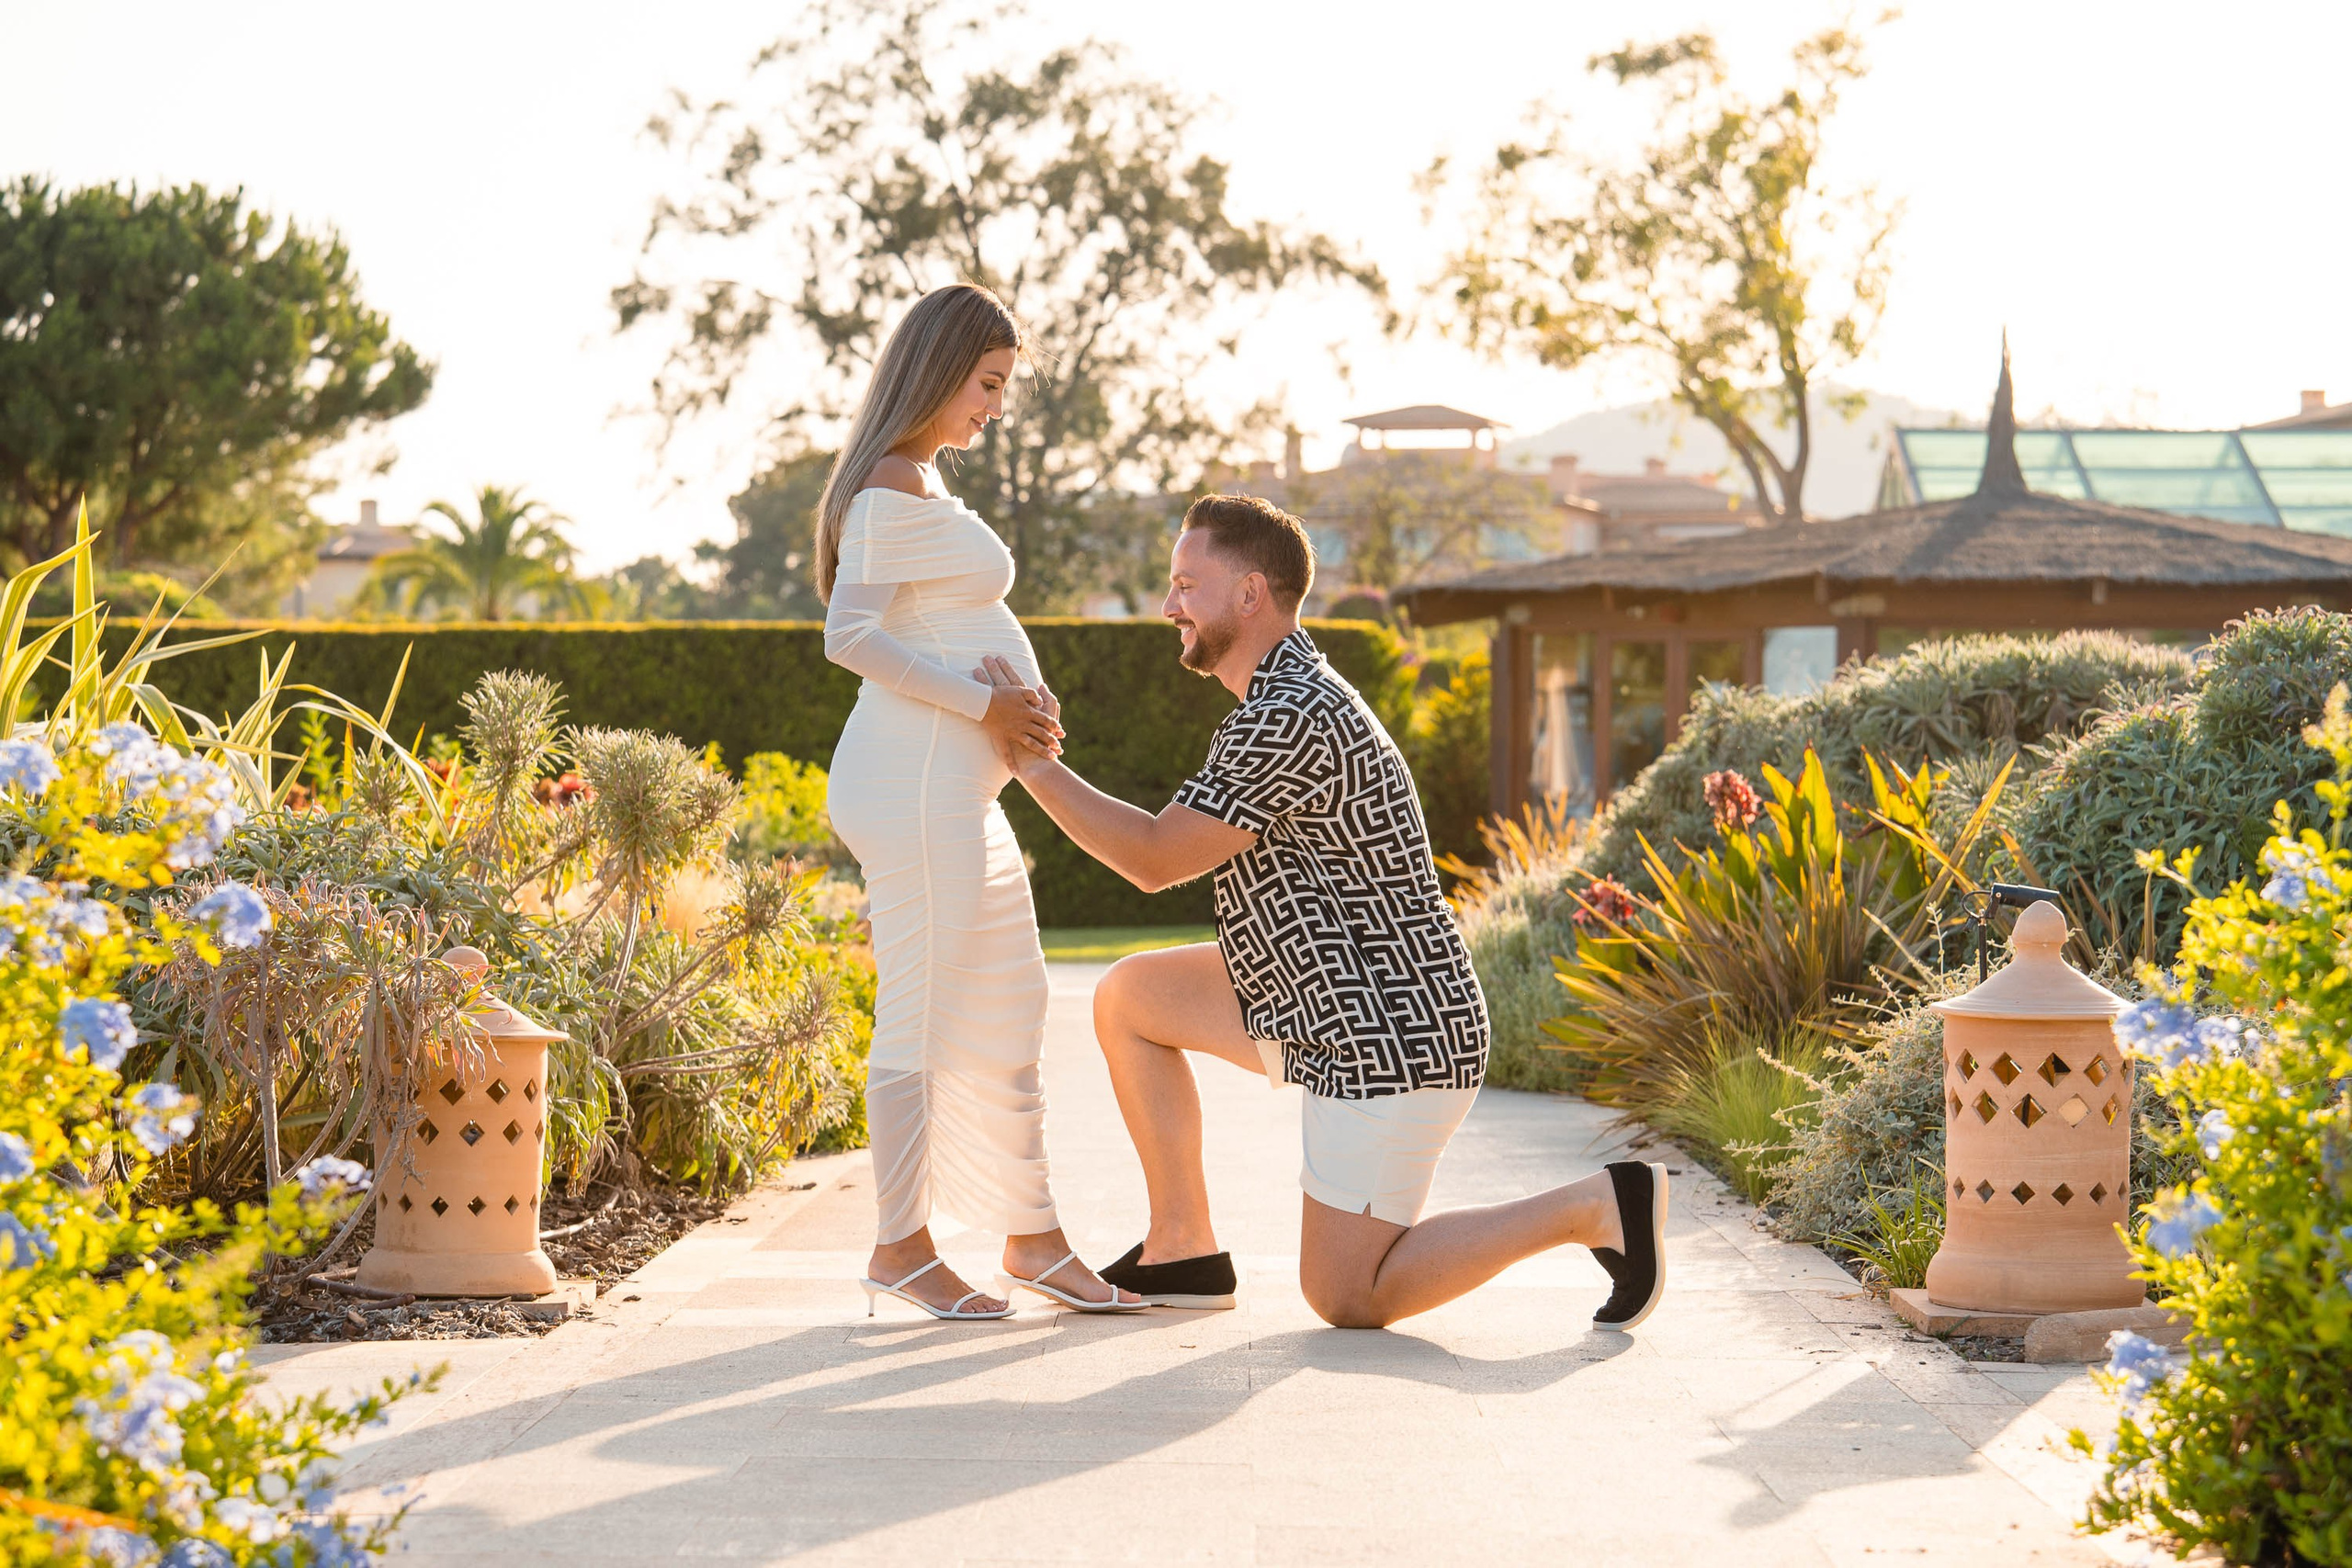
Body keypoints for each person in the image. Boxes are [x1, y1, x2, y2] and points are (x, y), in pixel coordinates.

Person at [976, 493, 1668, 1330]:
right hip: (1319, 997)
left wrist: (1030, 762)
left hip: (1394, 1034)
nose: (1168, 606)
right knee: (1132, 1000)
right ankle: (1182, 1249)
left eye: (1185, 584)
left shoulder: (1290, 711)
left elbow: (1155, 860)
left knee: (1347, 1295)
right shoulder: (1279, 693)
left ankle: (1599, 1205)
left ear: (1249, 593)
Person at [817, 283, 1142, 1319]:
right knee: (918, 1015)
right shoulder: (884, 487)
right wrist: (985, 707)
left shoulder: (916, 482)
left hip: (950, 787)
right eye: (989, 384)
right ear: (939, 368)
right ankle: (900, 1247)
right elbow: (849, 637)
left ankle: (1031, 1235)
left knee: (1009, 1002)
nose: (995, 408)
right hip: (916, 785)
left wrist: (1003, 710)